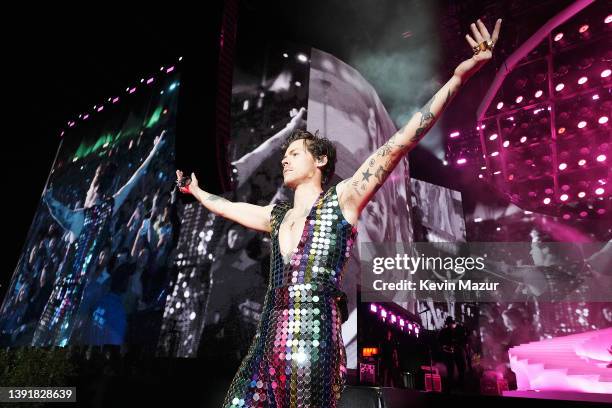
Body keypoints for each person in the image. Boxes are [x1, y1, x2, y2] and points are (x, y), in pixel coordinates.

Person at [178, 18, 502, 408]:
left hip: (316, 344)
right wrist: (196, 190)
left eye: (293, 153)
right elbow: (228, 206)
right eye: (284, 155)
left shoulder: (343, 198)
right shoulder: (277, 216)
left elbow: (402, 141)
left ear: (319, 161)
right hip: (266, 342)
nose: (285, 160)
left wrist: (458, 78)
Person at [32, 131, 166, 347]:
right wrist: (155, 150)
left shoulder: (78, 219)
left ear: (93, 188)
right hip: (77, 294)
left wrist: (47, 195)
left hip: (61, 295)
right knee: (59, 342)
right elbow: (134, 180)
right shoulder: (108, 210)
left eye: (88, 189)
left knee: (42, 341)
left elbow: (54, 207)